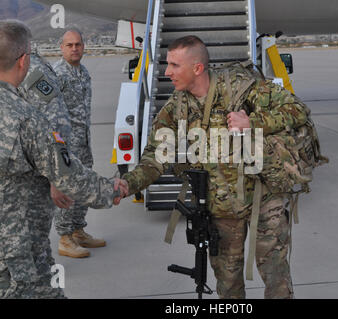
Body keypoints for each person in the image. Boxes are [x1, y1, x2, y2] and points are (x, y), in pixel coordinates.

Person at [119, 36, 308, 299]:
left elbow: (297, 110)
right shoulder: (178, 105)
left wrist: (252, 122)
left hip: (264, 200)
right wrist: (128, 183)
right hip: (221, 209)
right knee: (228, 286)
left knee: (276, 279)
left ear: (197, 68)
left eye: (174, 65)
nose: (167, 72)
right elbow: (156, 156)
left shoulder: (242, 88)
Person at [0, 19, 128, 299]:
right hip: (17, 248)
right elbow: (69, 175)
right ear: (23, 61)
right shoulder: (25, 118)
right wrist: (112, 190)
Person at [17, 50, 73, 298]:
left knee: (35, 254)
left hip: (28, 187)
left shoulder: (28, 69)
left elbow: (57, 122)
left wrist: (56, 177)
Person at [53, 28, 104, 258]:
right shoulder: (57, 74)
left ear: (83, 47)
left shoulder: (83, 72)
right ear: (61, 47)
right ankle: (65, 238)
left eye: (78, 44)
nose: (75, 48)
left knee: (83, 186)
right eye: (69, 45)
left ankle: (78, 230)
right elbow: (50, 114)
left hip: (83, 141)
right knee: (68, 188)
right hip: (66, 145)